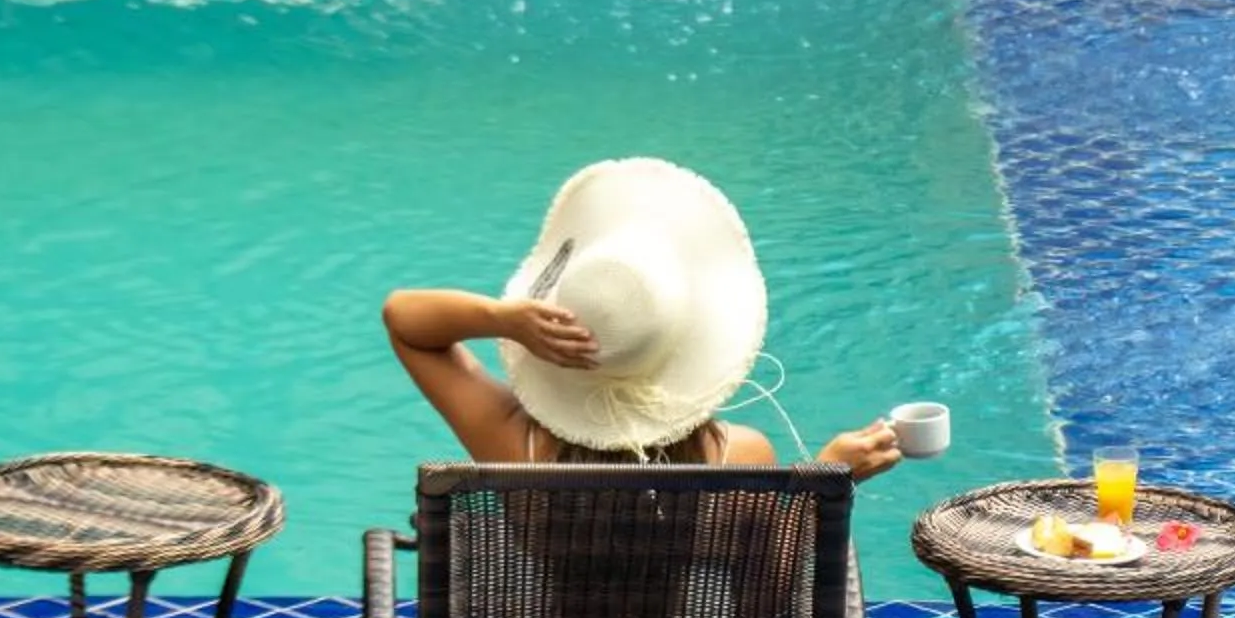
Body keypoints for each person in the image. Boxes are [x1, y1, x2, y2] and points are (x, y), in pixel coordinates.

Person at [382, 155, 900, 479]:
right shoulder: (738, 457)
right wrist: (829, 478)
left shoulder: (515, 446)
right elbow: (767, 590)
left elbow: (404, 321)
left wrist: (501, 318)